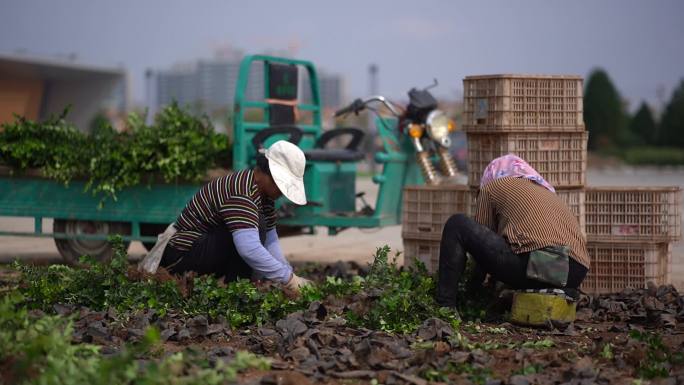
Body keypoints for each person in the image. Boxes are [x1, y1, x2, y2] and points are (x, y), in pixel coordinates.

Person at [436, 154, 590, 308]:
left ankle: (446, 306)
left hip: (542, 264)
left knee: (457, 224)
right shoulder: (546, 192)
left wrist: (472, 290)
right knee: (517, 255)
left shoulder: (491, 187)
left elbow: (481, 252)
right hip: (575, 273)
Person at [158, 140, 312, 294]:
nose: (281, 191)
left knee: (257, 226)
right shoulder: (242, 193)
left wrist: (290, 274)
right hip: (183, 256)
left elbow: (271, 241)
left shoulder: (265, 197)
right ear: (260, 173)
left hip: (203, 251)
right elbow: (249, 249)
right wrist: (288, 278)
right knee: (251, 230)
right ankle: (238, 291)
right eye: (279, 183)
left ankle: (238, 288)